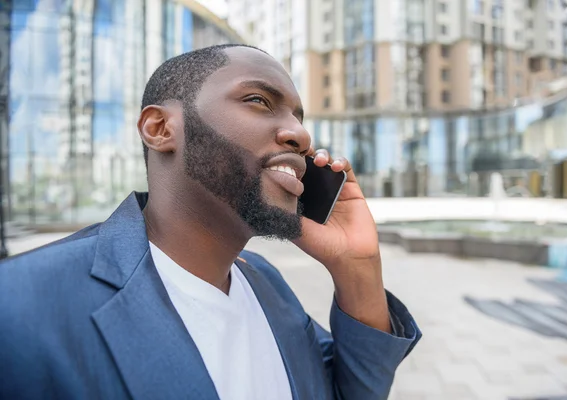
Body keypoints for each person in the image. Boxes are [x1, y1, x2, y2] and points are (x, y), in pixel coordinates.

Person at [0, 44, 420, 400]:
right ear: (160, 127)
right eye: (259, 100)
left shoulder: (267, 284)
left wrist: (356, 267)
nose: (300, 135)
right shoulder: (19, 304)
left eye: (298, 117)